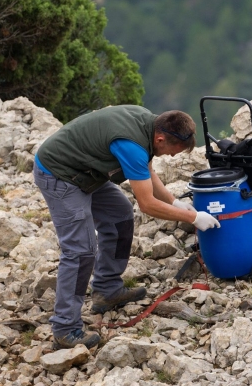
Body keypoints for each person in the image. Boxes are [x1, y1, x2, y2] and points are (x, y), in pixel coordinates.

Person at [33, 104, 220, 350]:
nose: (171, 156)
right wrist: (193, 219)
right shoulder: (131, 144)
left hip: (86, 172)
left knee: (120, 215)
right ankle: (65, 328)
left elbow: (147, 170)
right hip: (59, 174)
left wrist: (176, 203)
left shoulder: (150, 123)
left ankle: (107, 289)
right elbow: (147, 204)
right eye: (172, 151)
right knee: (80, 252)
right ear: (161, 138)